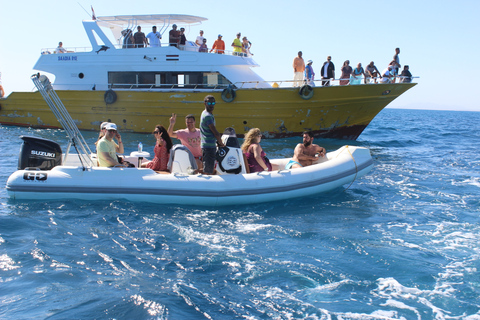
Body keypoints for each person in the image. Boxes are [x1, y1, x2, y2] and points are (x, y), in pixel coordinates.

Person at [200, 95, 225, 174]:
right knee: (208, 169)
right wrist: (221, 143)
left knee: (208, 166)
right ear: (205, 103)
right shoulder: (208, 116)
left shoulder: (204, 113)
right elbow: (215, 133)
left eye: (213, 103)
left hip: (206, 145)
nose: (211, 105)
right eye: (209, 102)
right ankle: (206, 183)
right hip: (209, 146)